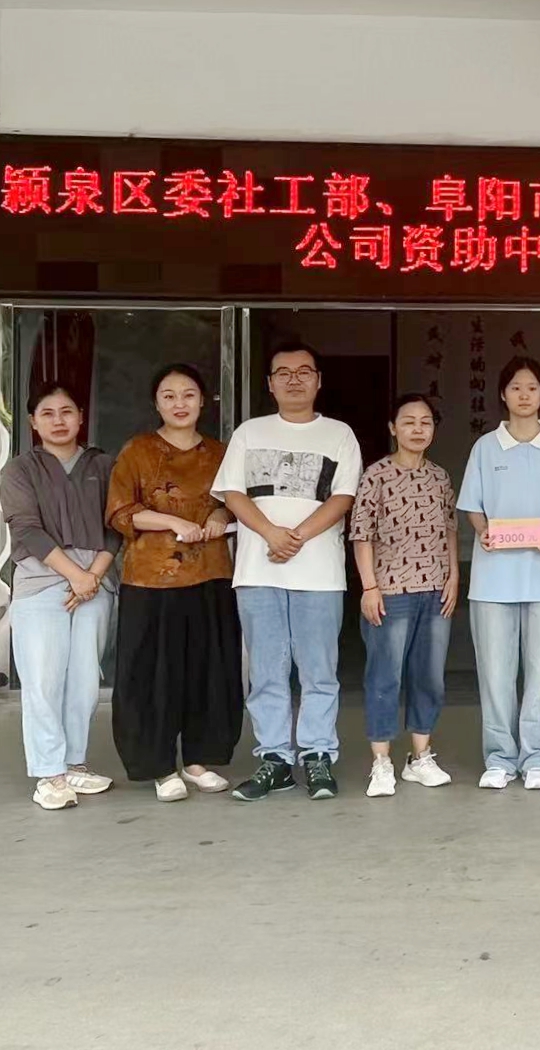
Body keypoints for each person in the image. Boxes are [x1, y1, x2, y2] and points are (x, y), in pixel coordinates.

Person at [212, 339, 363, 802]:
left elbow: (343, 497)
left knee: (319, 670)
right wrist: (270, 534)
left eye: (303, 372)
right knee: (267, 670)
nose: (294, 380)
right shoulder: (249, 433)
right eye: (284, 373)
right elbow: (232, 493)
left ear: (318, 381)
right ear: (270, 384)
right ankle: (275, 759)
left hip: (319, 574)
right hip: (258, 573)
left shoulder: (339, 434)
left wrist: (294, 536)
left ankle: (317, 754)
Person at [105, 364, 242, 803]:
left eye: (188, 394)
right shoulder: (138, 450)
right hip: (151, 581)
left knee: (207, 670)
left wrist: (220, 514)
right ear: (156, 403)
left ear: (203, 401)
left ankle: (200, 760)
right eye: (169, 395)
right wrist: (172, 521)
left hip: (211, 574)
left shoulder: (221, 453)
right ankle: (159, 766)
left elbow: (236, 502)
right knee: (153, 674)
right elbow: (120, 512)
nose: (179, 403)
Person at [458, 357, 540, 791]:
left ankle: (537, 758)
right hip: (493, 579)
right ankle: (499, 758)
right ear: (502, 394)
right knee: (495, 674)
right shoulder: (485, 447)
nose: (524, 395)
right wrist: (483, 532)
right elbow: (472, 506)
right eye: (515, 387)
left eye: (531, 388)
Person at [0, 381, 120, 810]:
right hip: (41, 583)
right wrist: (76, 576)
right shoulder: (20, 470)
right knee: (43, 680)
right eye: (47, 413)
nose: (58, 420)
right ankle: (49, 773)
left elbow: (117, 524)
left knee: (84, 680)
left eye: (67, 411)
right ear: (33, 422)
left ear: (81, 417)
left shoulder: (104, 464)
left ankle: (74, 763)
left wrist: (93, 576)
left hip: (96, 583)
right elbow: (26, 529)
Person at [349, 393, 459, 797]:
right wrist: (369, 587)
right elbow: (361, 534)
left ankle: (420, 757)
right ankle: (381, 762)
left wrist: (454, 576)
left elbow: (450, 529)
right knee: (385, 676)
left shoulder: (440, 478)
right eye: (409, 421)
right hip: (390, 590)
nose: (418, 429)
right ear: (393, 428)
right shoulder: (376, 475)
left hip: (435, 590)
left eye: (426, 422)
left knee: (428, 676)